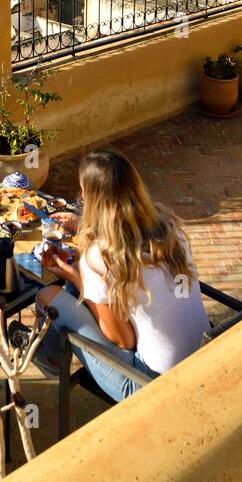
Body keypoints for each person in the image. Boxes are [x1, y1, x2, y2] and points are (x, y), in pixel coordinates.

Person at [36, 150, 210, 400]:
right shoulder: (166, 226)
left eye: (84, 192)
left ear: (95, 201)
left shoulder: (99, 259)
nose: (81, 197)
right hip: (204, 356)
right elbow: (125, 234)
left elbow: (122, 340)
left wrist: (79, 278)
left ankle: (50, 360)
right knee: (79, 291)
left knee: (49, 295)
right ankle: (51, 353)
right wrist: (84, 223)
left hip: (150, 384)